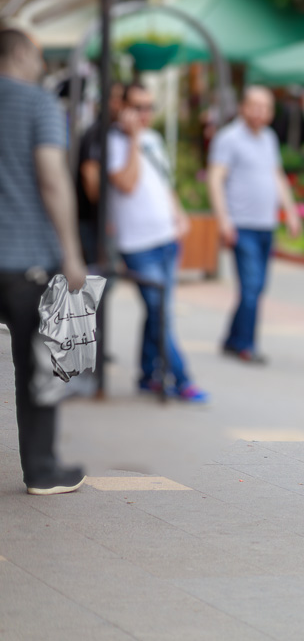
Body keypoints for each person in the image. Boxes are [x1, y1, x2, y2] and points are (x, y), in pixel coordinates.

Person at [0, 28, 89, 494]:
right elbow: (52, 180)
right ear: (23, 54)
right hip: (25, 262)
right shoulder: (38, 105)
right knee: (39, 366)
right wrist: (71, 253)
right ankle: (41, 471)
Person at [107, 83, 208, 403]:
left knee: (158, 313)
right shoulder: (112, 142)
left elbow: (163, 183)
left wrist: (179, 214)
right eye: (138, 107)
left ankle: (147, 375)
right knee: (160, 312)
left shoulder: (154, 139)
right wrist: (133, 138)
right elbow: (126, 183)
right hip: (138, 244)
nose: (145, 114)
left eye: (150, 107)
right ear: (121, 108)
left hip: (166, 240)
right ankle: (182, 378)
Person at [207, 87, 301, 364]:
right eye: (255, 106)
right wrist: (224, 220)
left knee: (256, 288)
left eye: (266, 107)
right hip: (241, 225)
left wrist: (291, 212)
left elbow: (277, 176)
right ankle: (246, 345)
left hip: (265, 225)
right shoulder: (229, 138)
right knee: (251, 286)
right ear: (243, 107)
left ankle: (232, 339)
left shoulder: (269, 138)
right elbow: (215, 180)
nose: (260, 112)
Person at [77, 82, 124, 266]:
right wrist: (103, 216)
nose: (118, 104)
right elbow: (90, 175)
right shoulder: (97, 132)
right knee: (99, 273)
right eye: (115, 98)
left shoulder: (109, 131)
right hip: (91, 220)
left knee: (102, 275)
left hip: (95, 219)